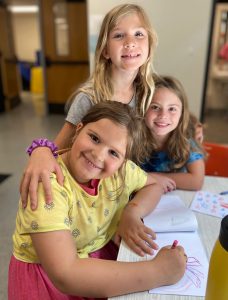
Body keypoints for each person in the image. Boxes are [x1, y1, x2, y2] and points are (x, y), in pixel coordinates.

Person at [9, 102, 186, 300]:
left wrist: (132, 212)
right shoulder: (48, 183)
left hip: (95, 257)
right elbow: (65, 274)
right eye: (94, 138)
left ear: (124, 161)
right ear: (78, 129)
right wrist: (158, 271)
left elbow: (153, 185)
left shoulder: (122, 172)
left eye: (114, 153)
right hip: (47, 281)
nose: (98, 154)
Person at [20, 3, 158, 209]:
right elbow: (58, 148)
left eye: (139, 34)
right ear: (105, 51)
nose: (130, 42)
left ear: (149, 46)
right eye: (119, 36)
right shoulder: (89, 97)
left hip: (123, 191)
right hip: (89, 199)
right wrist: (41, 152)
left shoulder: (147, 93)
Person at [142, 75, 205, 192]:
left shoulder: (186, 140)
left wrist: (153, 178)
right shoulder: (132, 138)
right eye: (155, 107)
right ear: (142, 109)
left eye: (172, 109)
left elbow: (197, 181)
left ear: (182, 113)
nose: (163, 115)